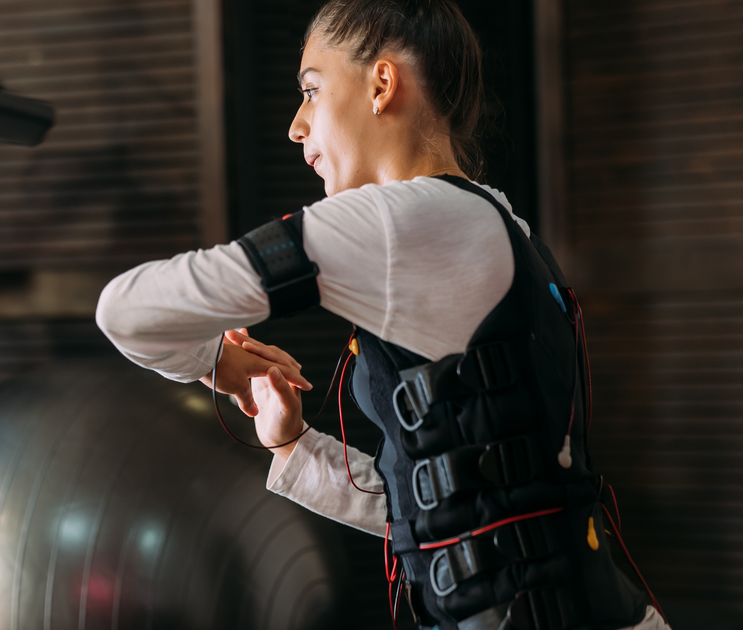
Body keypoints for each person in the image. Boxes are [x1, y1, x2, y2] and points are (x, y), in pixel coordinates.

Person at [95, 1, 667, 628]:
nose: (295, 126)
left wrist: (219, 365)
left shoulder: (400, 221)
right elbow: (445, 500)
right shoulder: (501, 221)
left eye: (312, 91)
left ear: (381, 84)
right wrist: (293, 444)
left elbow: (126, 310)